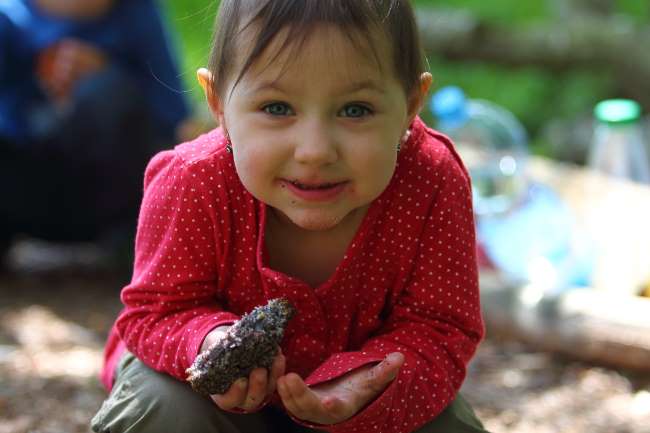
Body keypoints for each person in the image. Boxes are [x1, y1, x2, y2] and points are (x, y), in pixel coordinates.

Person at [91, 1, 488, 432]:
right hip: (210, 403)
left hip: (367, 413)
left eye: (355, 110)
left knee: (449, 425)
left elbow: (441, 329)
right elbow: (155, 313)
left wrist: (365, 383)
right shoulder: (192, 181)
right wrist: (209, 343)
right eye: (277, 108)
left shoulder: (431, 181)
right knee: (162, 407)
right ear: (219, 102)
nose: (315, 150)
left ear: (411, 106)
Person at [0, 0, 193, 260]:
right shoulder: (10, 19)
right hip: (24, 191)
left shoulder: (137, 14)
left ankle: (137, 244)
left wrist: (106, 80)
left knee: (107, 92)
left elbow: (173, 117)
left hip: (111, 200)